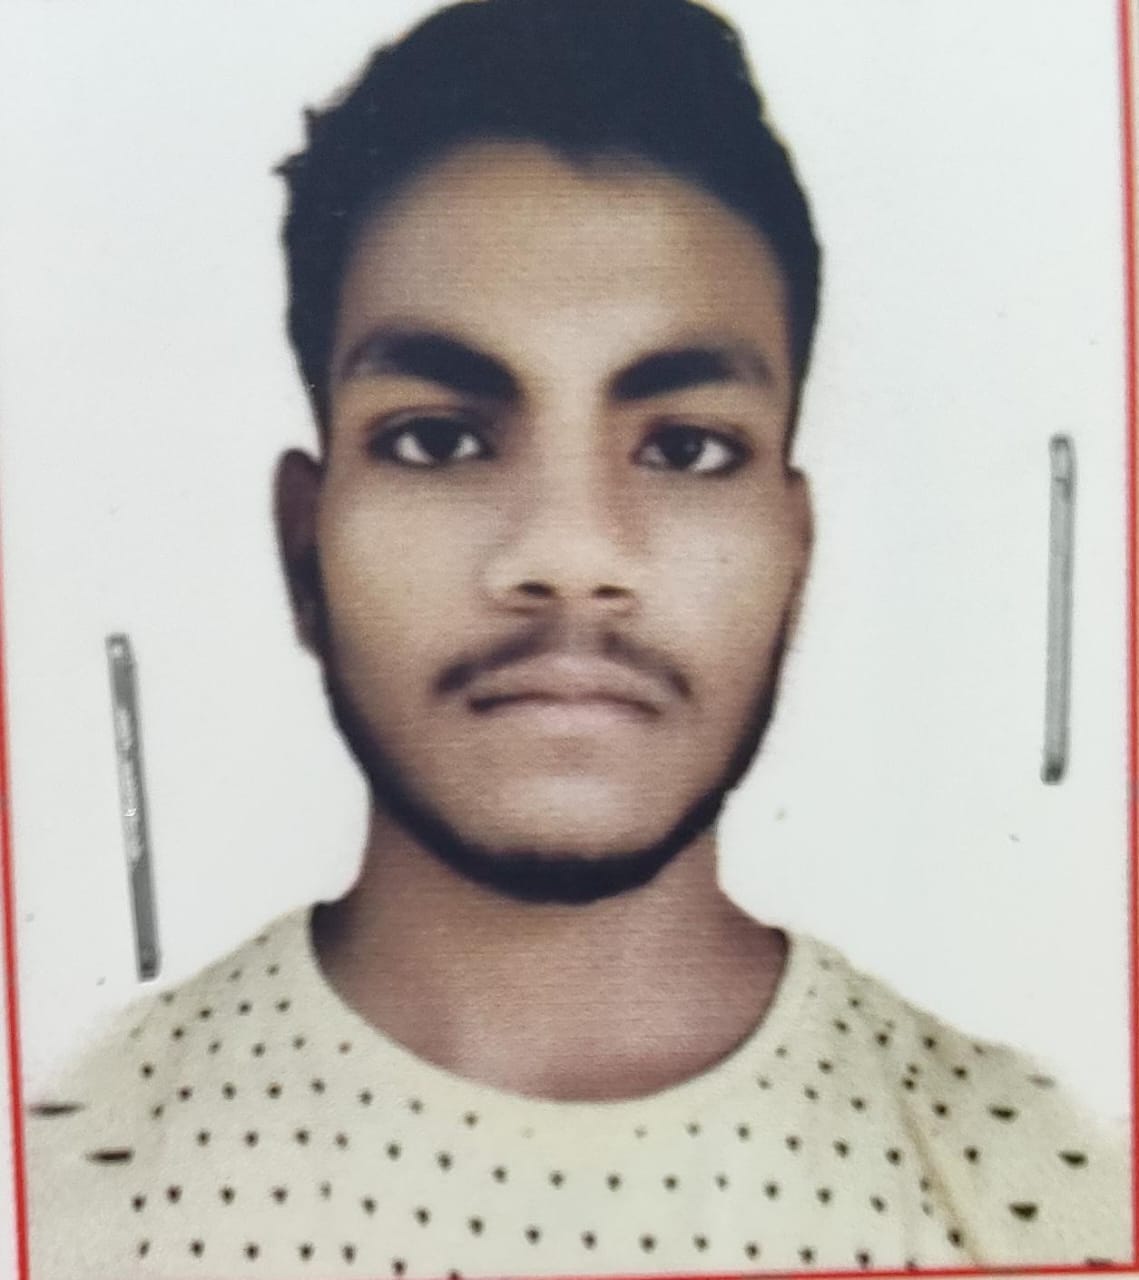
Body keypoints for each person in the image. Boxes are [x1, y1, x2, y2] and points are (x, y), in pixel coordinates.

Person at [23, 0, 1131, 1275]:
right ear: (300, 544)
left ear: (794, 549)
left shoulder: (1051, 1197)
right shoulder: (58, 1192)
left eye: (685, 448)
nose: (569, 551)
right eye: (437, 438)